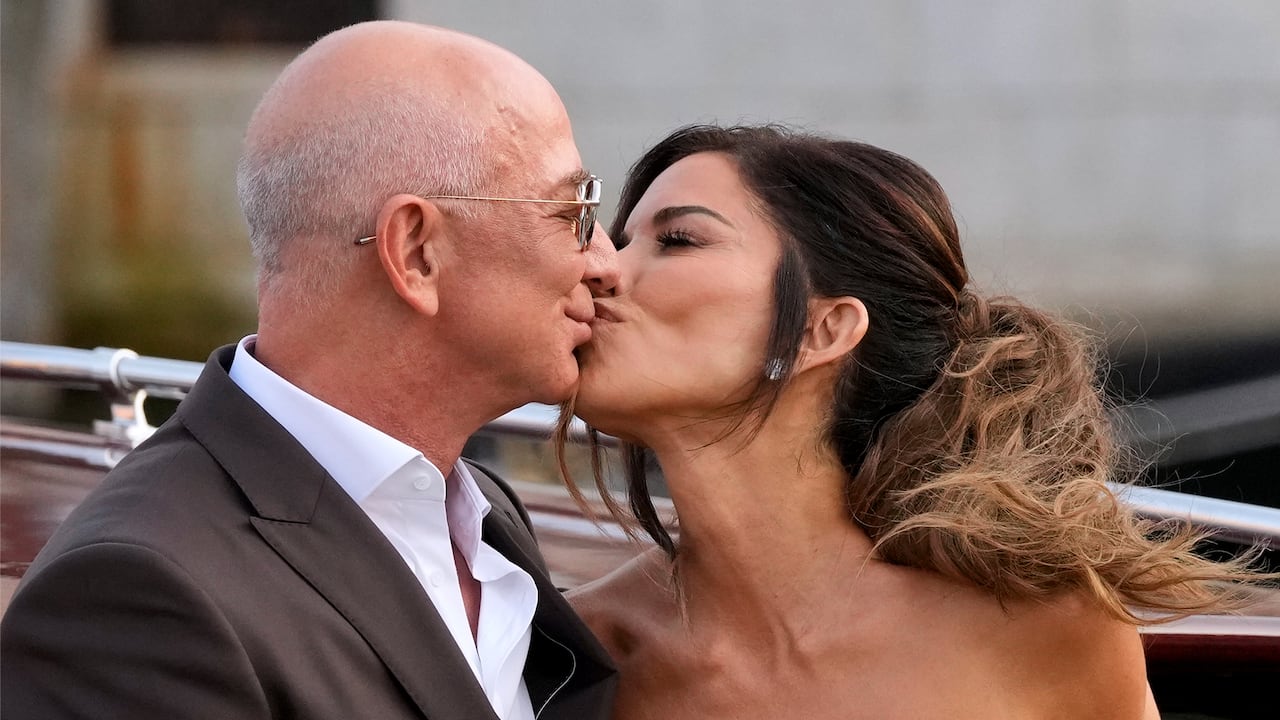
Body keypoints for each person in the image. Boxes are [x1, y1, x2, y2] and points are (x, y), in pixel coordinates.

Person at [1, 21, 619, 720]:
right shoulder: (132, 596)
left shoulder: (480, 514)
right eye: (575, 212)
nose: (606, 263)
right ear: (417, 252)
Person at [560, 124, 1258, 719]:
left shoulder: (1043, 627)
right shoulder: (576, 654)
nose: (601, 269)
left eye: (678, 239)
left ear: (822, 331)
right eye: (616, 238)